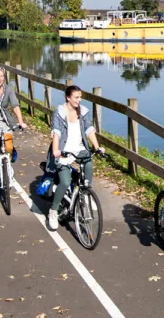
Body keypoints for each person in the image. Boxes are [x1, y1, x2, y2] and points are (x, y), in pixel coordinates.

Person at [47, 85, 104, 230]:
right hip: (63, 150)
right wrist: (56, 150)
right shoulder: (59, 112)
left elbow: (89, 130)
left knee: (88, 164)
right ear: (68, 97)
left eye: (80, 97)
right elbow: (56, 132)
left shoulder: (83, 112)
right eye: (76, 97)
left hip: (79, 148)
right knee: (65, 182)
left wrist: (97, 147)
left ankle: (85, 193)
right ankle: (53, 211)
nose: (79, 100)